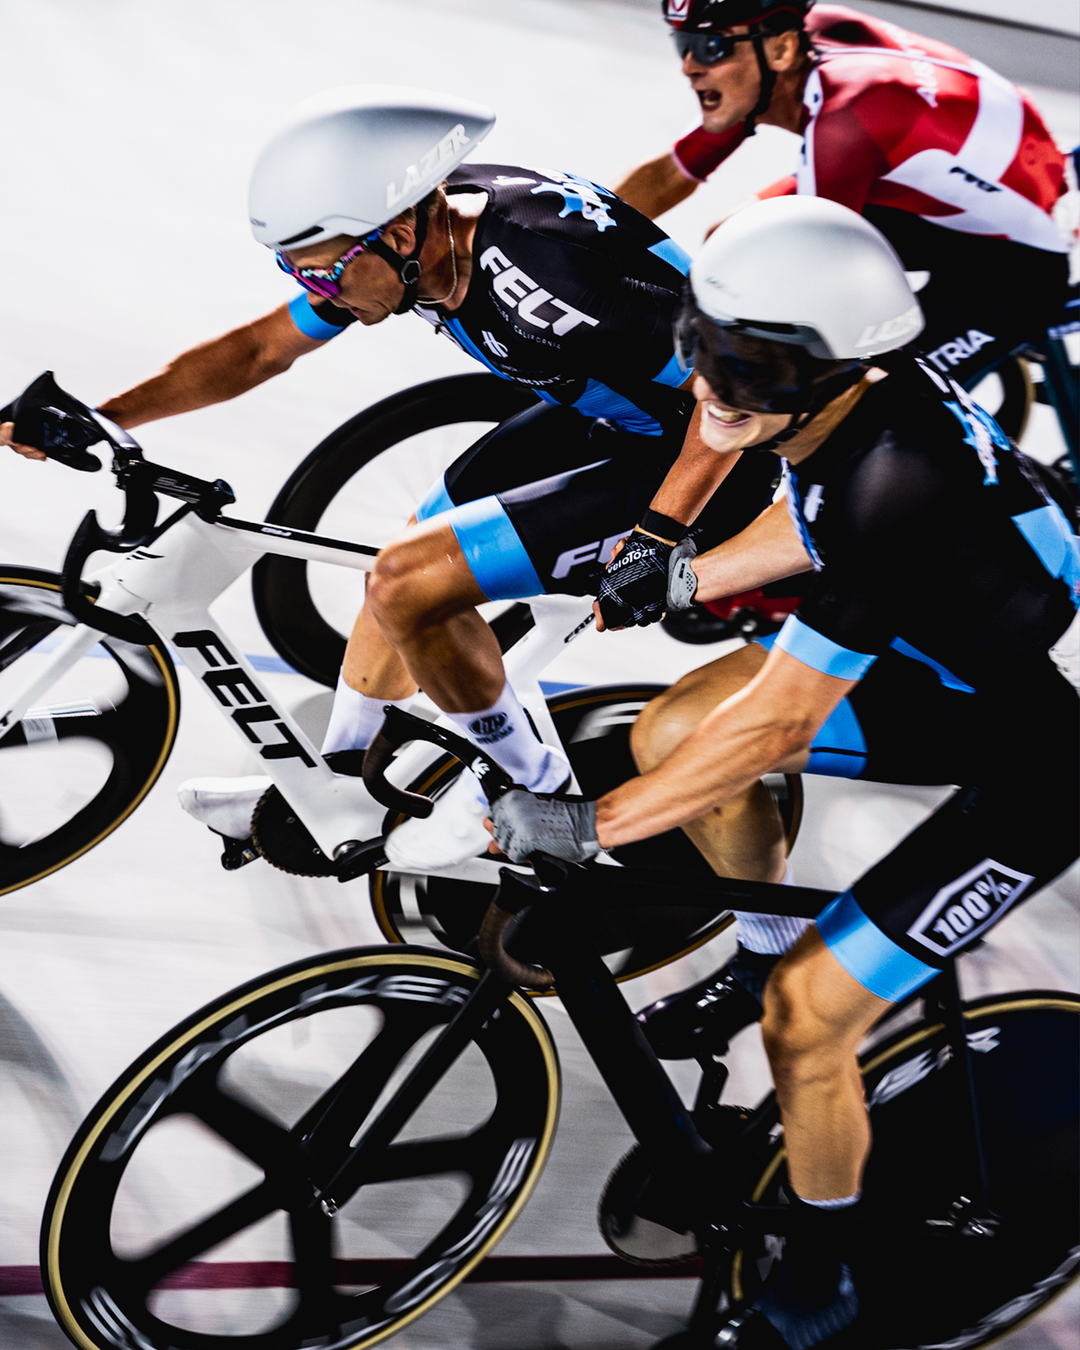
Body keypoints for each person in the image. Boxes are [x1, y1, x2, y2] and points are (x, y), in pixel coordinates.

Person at [488, 195, 1079, 1347]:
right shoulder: (815, 410)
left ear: (838, 376)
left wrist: (588, 825)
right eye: (700, 347)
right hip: (946, 668)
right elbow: (806, 520)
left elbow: (773, 722)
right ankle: (755, 960)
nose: (711, 390)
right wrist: (681, 573)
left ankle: (826, 1263)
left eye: (747, 369)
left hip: (1041, 758)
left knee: (810, 1022)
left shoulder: (895, 480)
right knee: (669, 735)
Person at [2, 85, 778, 870]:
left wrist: (657, 536)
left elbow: (739, 400)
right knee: (404, 560)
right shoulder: (405, 243)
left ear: (401, 232)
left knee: (414, 582)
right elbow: (261, 350)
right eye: (297, 271)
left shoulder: (545, 281)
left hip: (716, 461)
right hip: (619, 419)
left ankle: (540, 804)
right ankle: (338, 784)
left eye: (324, 273)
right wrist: (107, 413)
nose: (317, 293)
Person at [615, 0, 1070, 391]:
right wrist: (565, 236)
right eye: (684, 44)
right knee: (734, 238)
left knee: (862, 394)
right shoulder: (783, 48)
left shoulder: (845, 120)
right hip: (969, 189)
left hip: (1019, 260)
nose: (689, 66)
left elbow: (813, 283)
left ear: (782, 48)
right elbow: (672, 174)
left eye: (709, 47)